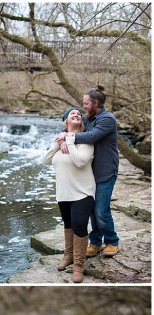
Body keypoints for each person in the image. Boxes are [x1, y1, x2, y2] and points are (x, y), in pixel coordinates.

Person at [44, 109, 96, 282]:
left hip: (83, 191)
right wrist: (60, 141)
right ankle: (68, 255)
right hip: (63, 193)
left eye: (79, 114)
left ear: (81, 122)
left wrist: (71, 141)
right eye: (72, 114)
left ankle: (79, 265)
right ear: (65, 121)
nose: (76, 114)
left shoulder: (86, 140)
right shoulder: (60, 140)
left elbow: (81, 161)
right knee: (68, 225)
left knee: (79, 225)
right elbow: (46, 159)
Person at [79, 84, 120, 256]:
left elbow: (91, 137)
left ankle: (112, 241)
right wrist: (65, 131)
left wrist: (69, 137)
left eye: (86, 103)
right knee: (91, 210)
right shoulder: (88, 117)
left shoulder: (107, 119)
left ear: (95, 103)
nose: (83, 106)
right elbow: (71, 123)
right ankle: (95, 242)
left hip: (105, 171)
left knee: (101, 210)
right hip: (89, 173)